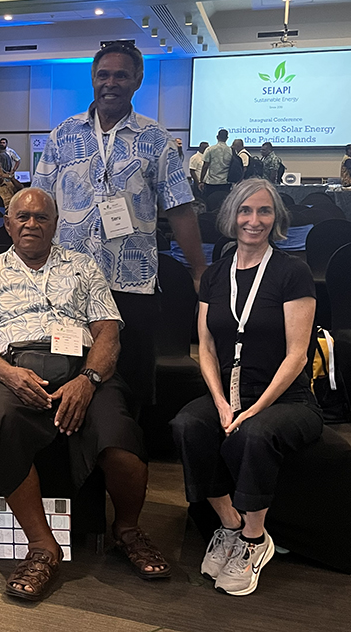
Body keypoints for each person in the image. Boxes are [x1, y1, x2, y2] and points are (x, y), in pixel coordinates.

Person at [0, 188, 169, 602]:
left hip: (81, 369)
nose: (31, 224)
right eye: (22, 217)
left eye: (41, 218)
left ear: (55, 225)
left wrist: (89, 379)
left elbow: (107, 332)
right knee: (0, 419)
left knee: (119, 433)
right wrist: (8, 374)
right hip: (14, 370)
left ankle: (127, 530)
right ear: (8, 224)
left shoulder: (84, 267)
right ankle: (43, 546)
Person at [32, 42, 206, 408]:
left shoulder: (156, 138)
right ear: (93, 79)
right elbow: (41, 202)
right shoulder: (64, 134)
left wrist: (199, 270)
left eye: (121, 75)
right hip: (69, 280)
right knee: (67, 371)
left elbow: (179, 209)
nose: (111, 83)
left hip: (131, 282)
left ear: (137, 80)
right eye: (103, 75)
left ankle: (127, 449)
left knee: (132, 380)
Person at [171, 178, 321, 597]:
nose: (254, 220)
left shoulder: (293, 272)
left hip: (287, 399)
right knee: (188, 424)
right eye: (245, 211)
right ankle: (231, 525)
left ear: (276, 219)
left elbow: (297, 355)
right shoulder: (216, 274)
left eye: (264, 212)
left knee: (253, 432)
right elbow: (206, 345)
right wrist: (220, 401)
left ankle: (256, 540)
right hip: (230, 394)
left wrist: (255, 409)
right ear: (231, 216)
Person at [202, 129, 233, 203]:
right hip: (225, 183)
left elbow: (205, 166)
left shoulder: (210, 149)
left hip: (211, 183)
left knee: (210, 203)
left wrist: (201, 180)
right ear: (227, 138)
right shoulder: (231, 150)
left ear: (217, 137)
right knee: (224, 204)